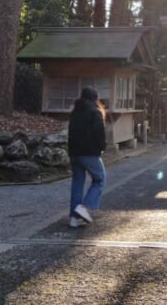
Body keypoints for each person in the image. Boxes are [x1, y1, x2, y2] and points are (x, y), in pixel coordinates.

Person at [67, 87, 107, 228]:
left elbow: (70, 133)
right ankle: (83, 208)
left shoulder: (75, 112)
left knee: (77, 184)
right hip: (89, 152)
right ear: (94, 99)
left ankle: (73, 218)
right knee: (100, 179)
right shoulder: (95, 112)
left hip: (74, 153)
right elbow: (99, 133)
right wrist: (102, 147)